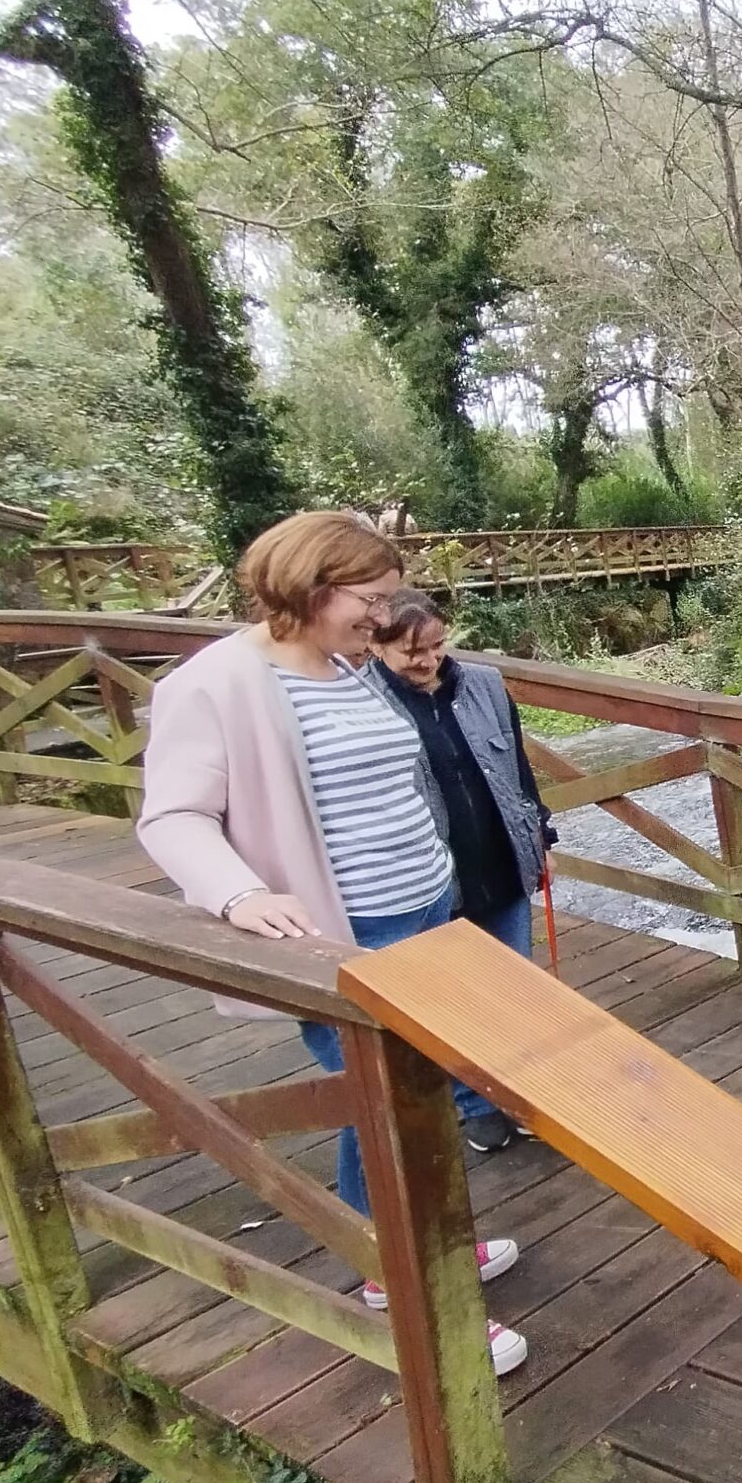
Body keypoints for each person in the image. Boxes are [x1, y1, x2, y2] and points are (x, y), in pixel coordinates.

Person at [136, 512, 526, 1375]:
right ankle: (398, 1280)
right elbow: (171, 816)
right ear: (312, 586)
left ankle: (433, 1244)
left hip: (431, 910)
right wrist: (237, 893)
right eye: (373, 599)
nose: (385, 619)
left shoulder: (352, 666)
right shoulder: (216, 685)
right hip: (347, 936)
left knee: (422, 1090)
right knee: (378, 1105)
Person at [368, 588, 558, 1152]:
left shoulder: (485, 685)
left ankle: (519, 1096)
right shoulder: (363, 702)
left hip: (502, 861)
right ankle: (475, 1105)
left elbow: (517, 771)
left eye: (436, 645)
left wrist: (539, 832)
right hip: (429, 879)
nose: (428, 661)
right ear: (376, 647)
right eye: (410, 652)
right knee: (453, 1001)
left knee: (511, 992)